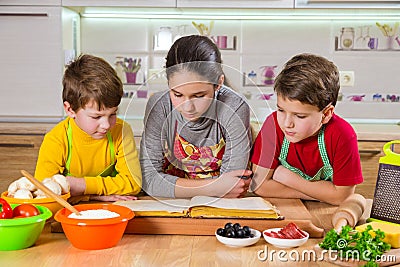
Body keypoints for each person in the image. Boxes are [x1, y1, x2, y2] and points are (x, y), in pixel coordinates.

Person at [140, 35, 252, 198]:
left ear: (218, 83)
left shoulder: (235, 107)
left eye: (199, 96)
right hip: (165, 204)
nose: (187, 107)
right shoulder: (159, 106)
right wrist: (213, 187)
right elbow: (149, 179)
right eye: (177, 94)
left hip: (220, 207)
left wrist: (170, 186)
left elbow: (233, 186)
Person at [250, 53, 363, 205]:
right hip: (289, 208)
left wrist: (288, 178)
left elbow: (342, 196)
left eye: (300, 116)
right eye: (281, 110)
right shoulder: (273, 126)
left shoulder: (342, 135)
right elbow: (259, 185)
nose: (287, 123)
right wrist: (324, 193)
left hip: (324, 213)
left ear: (326, 114)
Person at [35, 54, 142, 202]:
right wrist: (93, 196)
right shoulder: (56, 140)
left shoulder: (122, 131)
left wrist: (81, 185)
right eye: (96, 117)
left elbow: (133, 183)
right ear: (70, 109)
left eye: (112, 114)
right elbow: (45, 192)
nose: (106, 125)